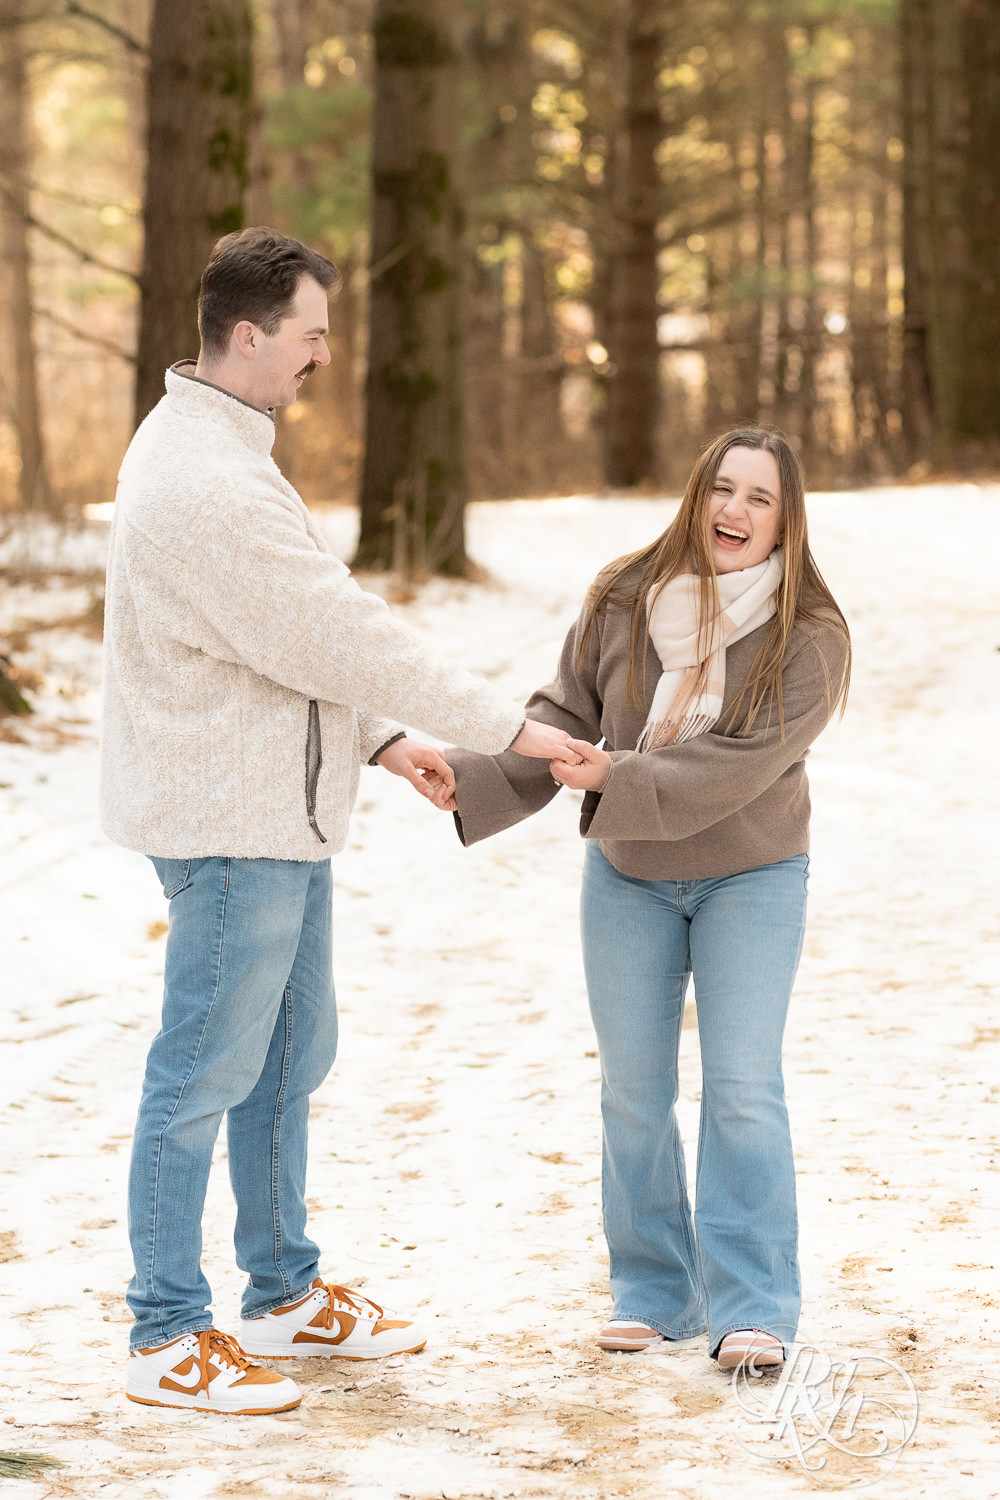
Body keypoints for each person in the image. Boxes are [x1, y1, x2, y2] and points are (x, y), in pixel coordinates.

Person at [100, 226, 576, 1415]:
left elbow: (282, 637)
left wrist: (378, 739)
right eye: (313, 332)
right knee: (206, 1071)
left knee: (286, 1061)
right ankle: (167, 1331)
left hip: (281, 812)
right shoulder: (202, 477)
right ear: (251, 333)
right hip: (229, 825)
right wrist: (500, 725)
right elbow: (338, 628)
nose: (326, 353)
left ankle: (284, 1292)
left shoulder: (225, 448)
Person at [437, 427, 851, 1372]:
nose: (734, 512)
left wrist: (614, 772)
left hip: (752, 871)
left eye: (760, 498)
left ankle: (753, 1305)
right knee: (633, 1092)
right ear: (695, 494)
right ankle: (657, 1291)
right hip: (627, 873)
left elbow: (741, 766)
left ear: (787, 521)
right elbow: (565, 715)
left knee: (743, 1088)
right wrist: (479, 776)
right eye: (722, 489)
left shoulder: (811, 633)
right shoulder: (626, 594)